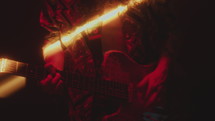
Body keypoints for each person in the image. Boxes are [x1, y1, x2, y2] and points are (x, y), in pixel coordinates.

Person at [39, 0, 174, 120]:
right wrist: (54, 71)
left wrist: (163, 70)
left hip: (149, 96)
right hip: (85, 106)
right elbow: (53, 38)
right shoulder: (55, 3)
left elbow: (176, 25)